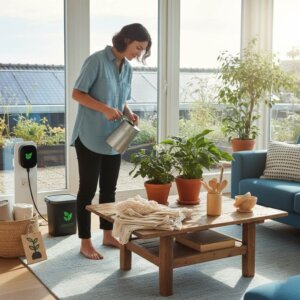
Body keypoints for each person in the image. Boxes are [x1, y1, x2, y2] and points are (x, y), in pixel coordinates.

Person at [71, 23, 152, 260]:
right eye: (138, 48)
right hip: (89, 135)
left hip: (114, 137)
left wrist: (128, 112)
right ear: (126, 39)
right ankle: (85, 242)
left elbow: (120, 98)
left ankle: (107, 235)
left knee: (109, 189)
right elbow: (77, 94)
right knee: (87, 190)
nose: (138, 54)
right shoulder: (96, 60)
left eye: (142, 50)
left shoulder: (127, 68)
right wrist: (104, 109)